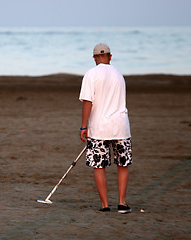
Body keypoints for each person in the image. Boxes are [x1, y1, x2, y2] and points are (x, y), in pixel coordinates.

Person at [79, 43, 132, 214]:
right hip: (121, 126)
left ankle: (105, 205)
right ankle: (122, 203)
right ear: (110, 56)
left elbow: (88, 102)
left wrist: (83, 126)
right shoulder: (118, 74)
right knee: (122, 164)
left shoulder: (91, 74)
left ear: (94, 58)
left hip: (99, 127)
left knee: (99, 166)